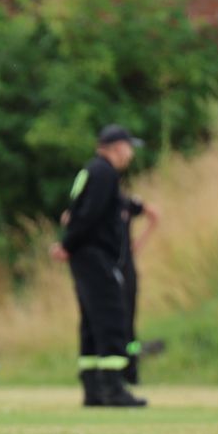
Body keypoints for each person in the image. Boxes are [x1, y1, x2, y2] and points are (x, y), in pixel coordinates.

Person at [53, 124, 145, 408]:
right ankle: (114, 388)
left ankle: (93, 389)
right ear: (117, 147)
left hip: (85, 255)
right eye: (129, 148)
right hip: (94, 255)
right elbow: (88, 215)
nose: (130, 155)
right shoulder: (104, 173)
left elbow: (78, 212)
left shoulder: (92, 171)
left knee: (92, 322)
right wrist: (67, 245)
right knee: (111, 317)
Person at [121, 193, 161, 384]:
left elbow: (154, 215)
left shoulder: (127, 202)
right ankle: (111, 371)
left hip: (127, 269)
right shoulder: (98, 201)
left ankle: (131, 370)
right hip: (105, 266)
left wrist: (137, 244)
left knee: (129, 322)